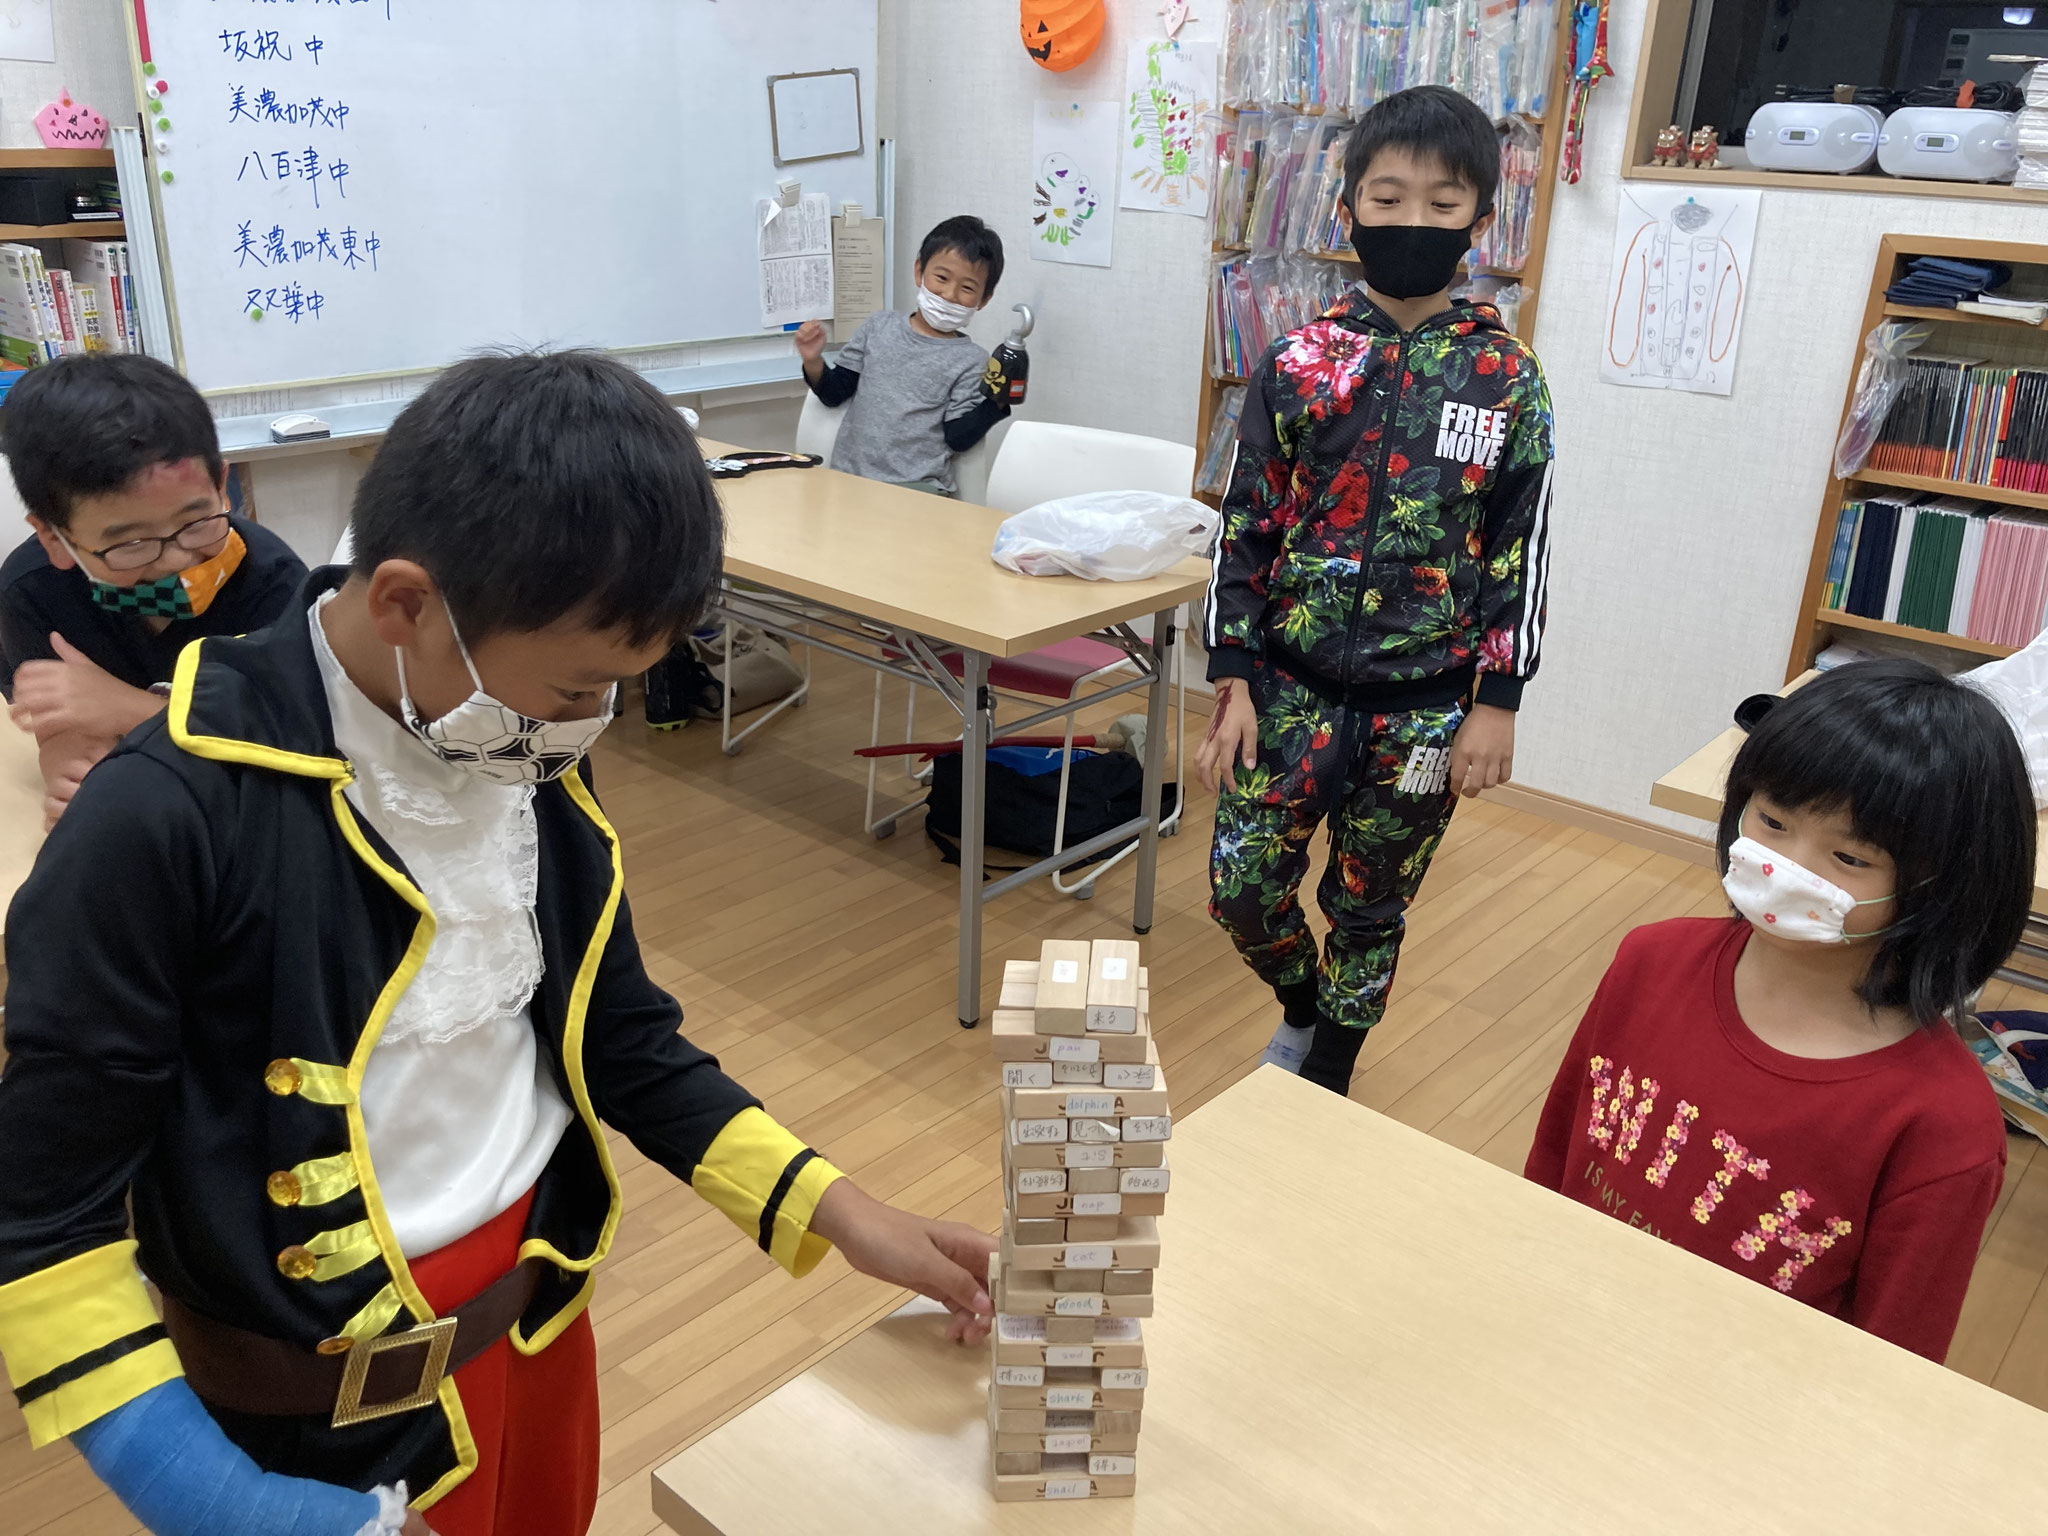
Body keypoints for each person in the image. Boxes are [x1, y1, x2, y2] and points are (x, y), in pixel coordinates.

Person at [0, 350, 996, 1536]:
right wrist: (244, 1511)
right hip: (310, 1433)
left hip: (534, 1334)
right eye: (575, 691)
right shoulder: (161, 816)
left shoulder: (511, 744)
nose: (588, 727)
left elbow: (619, 1038)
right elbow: (42, 1226)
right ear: (406, 606)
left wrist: (843, 1211)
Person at [1196, 85, 1555, 1094]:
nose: (1411, 222)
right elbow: (1247, 520)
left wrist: (1497, 702)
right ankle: (1303, 1007)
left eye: (1442, 204)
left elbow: (1518, 548)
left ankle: (1328, 1076)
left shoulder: (1506, 377)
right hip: (1288, 690)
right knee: (1241, 890)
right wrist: (1231, 671)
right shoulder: (1298, 362)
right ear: (1346, 206)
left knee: (1369, 907)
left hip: (1425, 709)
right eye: (1388, 198)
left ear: (1480, 221)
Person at [1525, 660, 2033, 1362]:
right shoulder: (1650, 958)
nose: (1786, 867)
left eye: (1849, 857)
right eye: (1772, 821)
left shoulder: (1943, 1126)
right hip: (1557, 1328)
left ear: (1944, 887)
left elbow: (1892, 1357)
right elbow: (1556, 1151)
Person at [0, 354, 306, 826]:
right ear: (55, 539)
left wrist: (130, 710)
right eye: (131, 543)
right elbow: (60, 732)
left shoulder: (272, 580)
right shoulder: (30, 592)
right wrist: (69, 773)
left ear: (222, 485)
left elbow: (290, 738)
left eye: (197, 521)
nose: (175, 559)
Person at [793, 214, 1013, 498]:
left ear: (984, 299)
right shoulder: (877, 327)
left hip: (918, 490)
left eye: (967, 288)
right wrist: (813, 359)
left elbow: (958, 438)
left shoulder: (972, 360)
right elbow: (834, 394)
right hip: (850, 481)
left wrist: (997, 402)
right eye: (942, 278)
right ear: (919, 271)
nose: (949, 294)